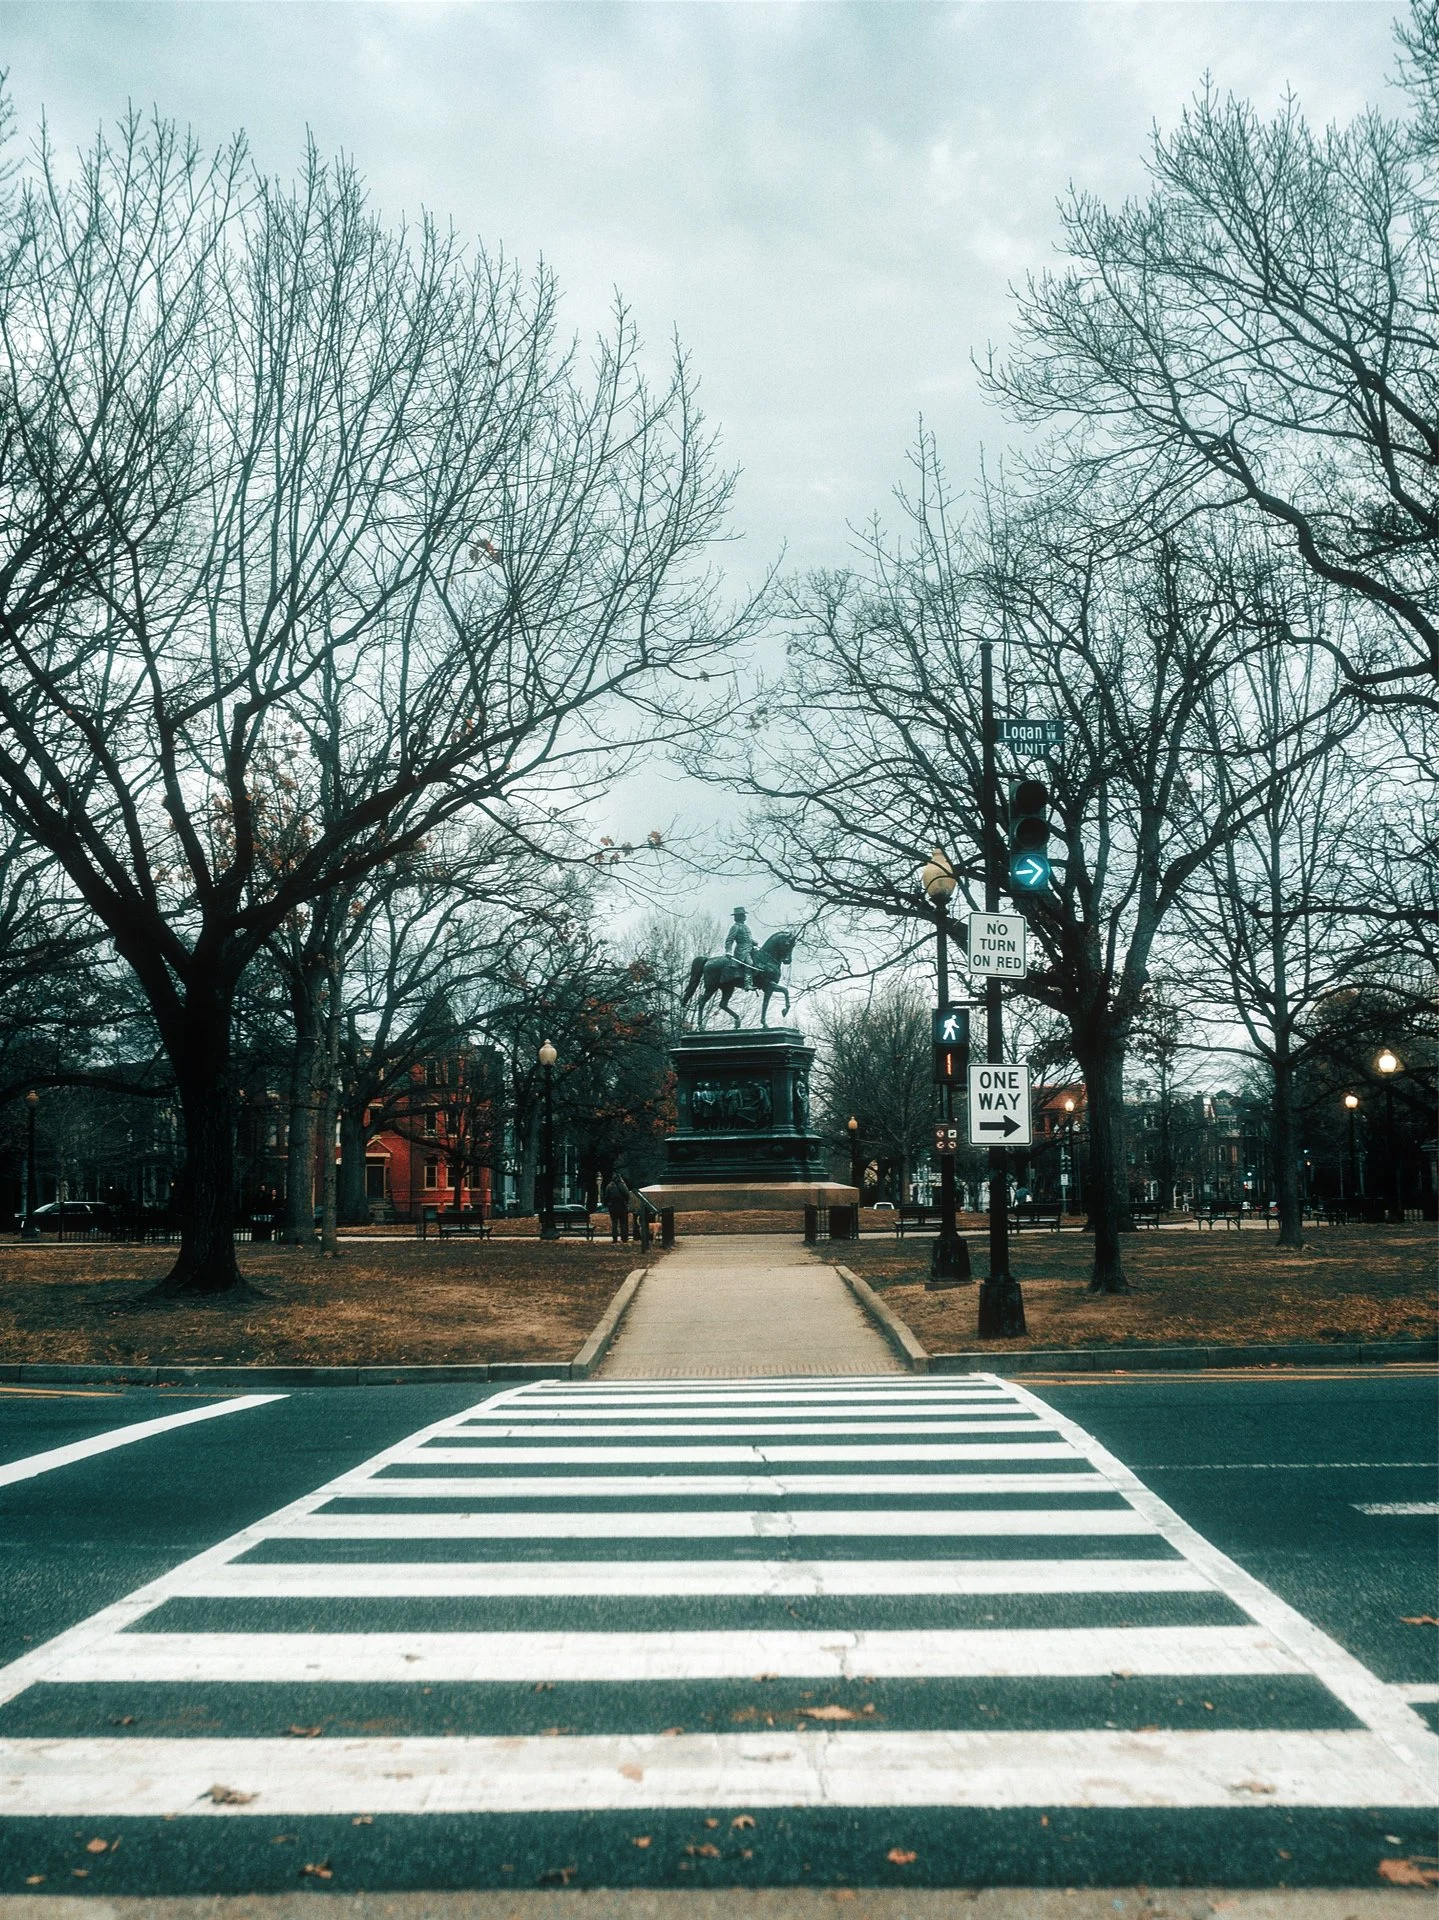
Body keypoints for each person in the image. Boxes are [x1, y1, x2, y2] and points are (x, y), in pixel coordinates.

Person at [603, 1171, 631, 1243]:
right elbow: (627, 1195)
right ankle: (624, 1238)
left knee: (614, 1223)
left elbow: (606, 1197)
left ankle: (614, 1238)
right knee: (623, 1223)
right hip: (622, 1206)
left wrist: (607, 1203)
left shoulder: (609, 1186)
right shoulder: (623, 1185)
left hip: (612, 1206)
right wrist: (626, 1202)